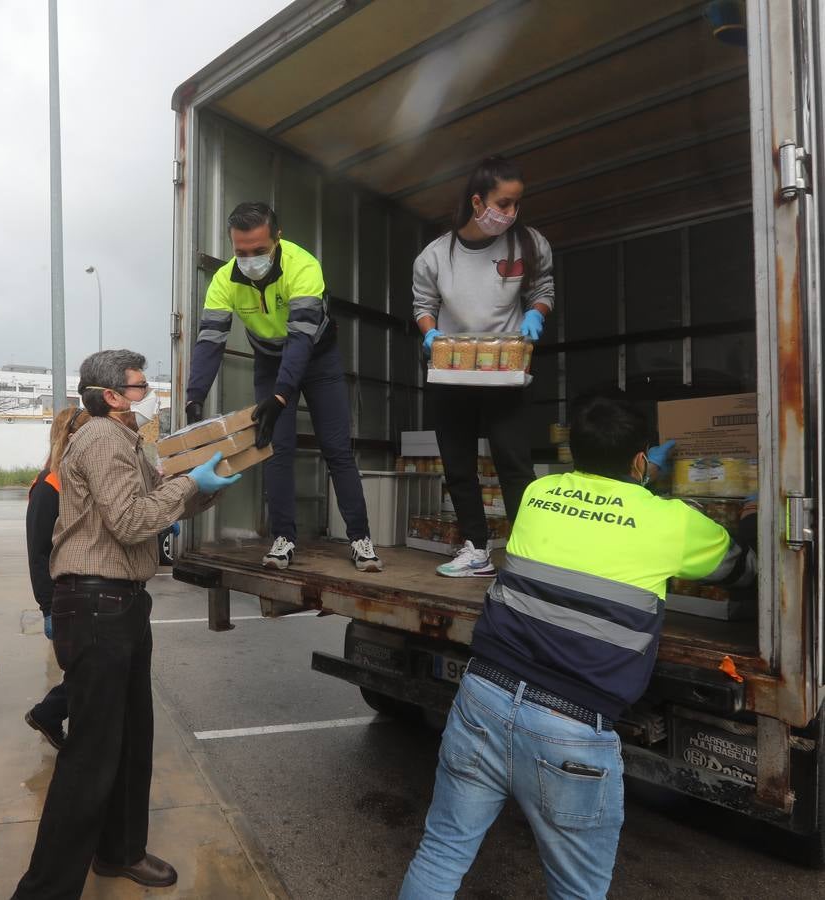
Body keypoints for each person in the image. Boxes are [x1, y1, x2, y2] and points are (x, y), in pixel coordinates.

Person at [399, 392, 757, 899]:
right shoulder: (672, 521)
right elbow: (741, 570)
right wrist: (748, 518)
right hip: (570, 729)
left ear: (572, 454)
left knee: (440, 853)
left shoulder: (539, 496)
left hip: (481, 696)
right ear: (641, 460)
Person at [13, 350, 240, 898]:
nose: (147, 394)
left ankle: (118, 851)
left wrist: (200, 487)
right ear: (112, 396)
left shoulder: (127, 442)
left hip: (122, 603)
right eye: (140, 386)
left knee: (133, 740)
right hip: (97, 605)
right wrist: (188, 485)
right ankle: (43, 891)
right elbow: (133, 520)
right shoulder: (102, 439)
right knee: (91, 755)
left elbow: (154, 508)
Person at [184, 201, 381, 574]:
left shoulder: (303, 266)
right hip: (269, 361)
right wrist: (195, 396)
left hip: (317, 358)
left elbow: (301, 339)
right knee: (274, 448)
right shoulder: (225, 280)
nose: (250, 259)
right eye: (241, 252)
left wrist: (280, 395)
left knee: (337, 448)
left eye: (259, 250)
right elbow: (210, 340)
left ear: (278, 238)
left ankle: (360, 539)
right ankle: (283, 538)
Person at [412, 156, 555, 577]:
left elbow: (542, 289)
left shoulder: (529, 243)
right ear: (478, 203)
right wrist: (430, 333)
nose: (511, 213)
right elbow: (424, 305)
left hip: (503, 370)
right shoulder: (436, 256)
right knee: (458, 467)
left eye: (516, 205)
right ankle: (476, 549)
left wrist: (536, 315)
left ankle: (530, 554)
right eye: (504, 204)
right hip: (452, 371)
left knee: (514, 464)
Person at [24, 405, 87, 750]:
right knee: (87, 671)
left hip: (83, 592)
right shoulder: (49, 485)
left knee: (86, 669)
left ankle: (52, 716)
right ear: (70, 437)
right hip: (63, 596)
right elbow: (37, 553)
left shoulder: (76, 478)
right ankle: (48, 713)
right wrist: (47, 606)